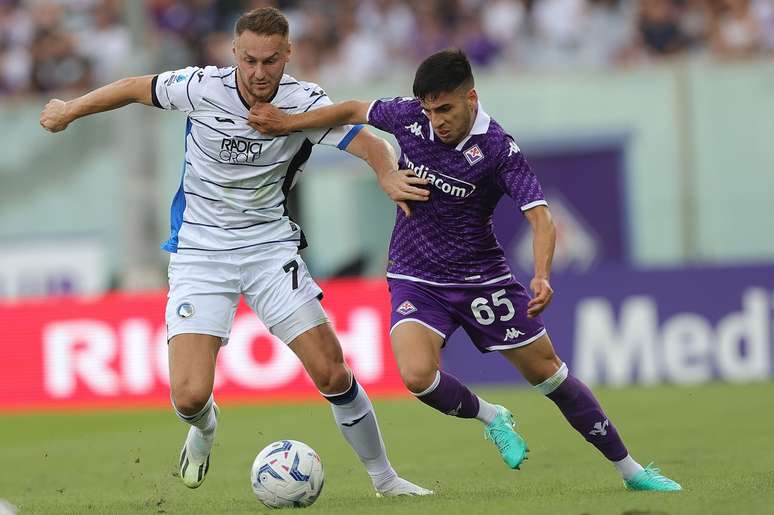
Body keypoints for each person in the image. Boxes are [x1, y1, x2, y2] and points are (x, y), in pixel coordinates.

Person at [39, 7, 433, 497]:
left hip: (269, 248)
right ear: (234, 53)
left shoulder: (303, 103)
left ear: (287, 54)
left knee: (332, 372)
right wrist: (71, 108)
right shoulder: (202, 87)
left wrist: (386, 173)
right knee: (188, 396)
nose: (259, 72)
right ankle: (204, 427)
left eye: (270, 60)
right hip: (200, 250)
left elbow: (368, 142)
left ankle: (385, 479)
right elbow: (134, 87)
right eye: (249, 60)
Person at [249, 48, 683, 492]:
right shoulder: (408, 118)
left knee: (550, 376)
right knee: (418, 378)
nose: (436, 120)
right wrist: (286, 122)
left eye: (445, 109)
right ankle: (491, 416)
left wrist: (542, 275)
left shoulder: (498, 149)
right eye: (429, 109)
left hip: (482, 280)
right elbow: (354, 109)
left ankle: (632, 470)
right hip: (415, 272)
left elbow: (541, 216)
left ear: (471, 98)